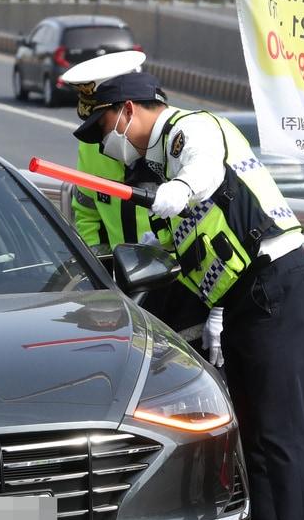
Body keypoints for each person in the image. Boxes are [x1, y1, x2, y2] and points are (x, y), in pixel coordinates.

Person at [72, 68, 304, 520]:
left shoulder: (190, 130)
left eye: (104, 126)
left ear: (127, 111)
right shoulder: (157, 164)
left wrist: (180, 190)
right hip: (243, 299)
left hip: (277, 285)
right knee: (254, 430)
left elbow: (205, 167)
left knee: (282, 431)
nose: (105, 142)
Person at [60, 52, 206, 343]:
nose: (102, 135)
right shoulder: (92, 146)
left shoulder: (177, 136)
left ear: (127, 105)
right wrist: (102, 276)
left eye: (104, 122)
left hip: (182, 280)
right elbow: (87, 210)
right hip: (126, 285)